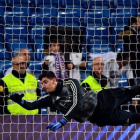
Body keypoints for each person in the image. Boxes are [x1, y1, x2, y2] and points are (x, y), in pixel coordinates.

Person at [10, 71, 140, 132]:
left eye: (45, 82)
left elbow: (78, 103)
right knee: (133, 118)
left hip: (103, 99)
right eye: (41, 83)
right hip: (101, 117)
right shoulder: (51, 99)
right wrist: (20, 102)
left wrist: (63, 121)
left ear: (54, 80)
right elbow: (31, 106)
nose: (43, 86)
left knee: (133, 90)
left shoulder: (71, 83)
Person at [118, 16, 140, 83]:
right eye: (139, 22)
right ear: (134, 24)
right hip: (134, 62)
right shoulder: (129, 34)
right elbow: (133, 49)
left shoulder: (135, 32)